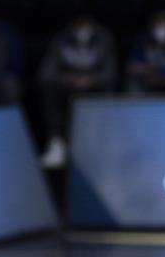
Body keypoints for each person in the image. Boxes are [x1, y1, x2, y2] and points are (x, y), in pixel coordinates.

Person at [38, 15, 118, 168]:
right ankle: (56, 143)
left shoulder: (104, 39)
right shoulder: (61, 39)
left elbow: (110, 73)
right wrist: (68, 79)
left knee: (109, 90)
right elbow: (46, 73)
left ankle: (100, 149)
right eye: (78, 24)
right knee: (48, 89)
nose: (82, 28)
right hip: (67, 87)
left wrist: (90, 80)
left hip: (96, 87)